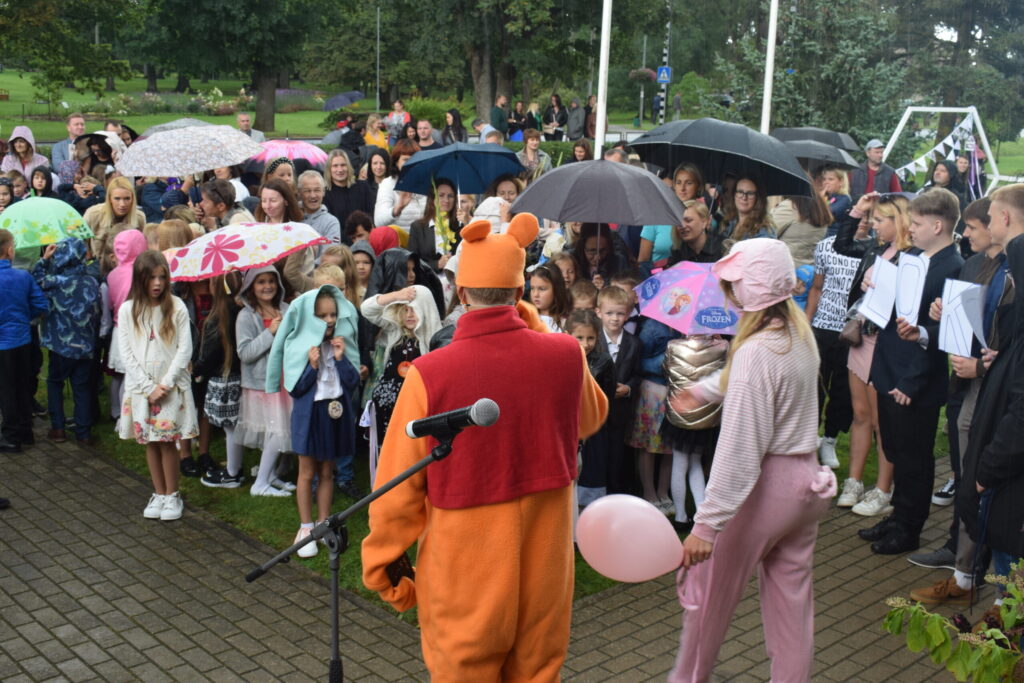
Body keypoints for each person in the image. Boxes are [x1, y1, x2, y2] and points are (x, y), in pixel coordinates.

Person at [361, 213, 607, 680]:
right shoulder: (565, 354)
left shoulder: (430, 373)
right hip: (545, 565)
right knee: (538, 672)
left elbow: (398, 485)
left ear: (461, 293)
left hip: (463, 566)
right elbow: (592, 419)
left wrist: (381, 564)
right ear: (520, 292)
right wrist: (535, 329)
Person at [670, 238, 835, 683]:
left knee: (708, 600)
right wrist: (702, 391)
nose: (728, 294)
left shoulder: (756, 351)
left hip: (767, 490)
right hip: (806, 483)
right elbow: (748, 381)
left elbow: (740, 447)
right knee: (792, 608)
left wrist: (706, 526)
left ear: (747, 289)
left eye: (732, 286)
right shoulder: (797, 335)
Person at [907, 197, 1010, 602]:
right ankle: (966, 572)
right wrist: (941, 314)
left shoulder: (1013, 272)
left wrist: (980, 368)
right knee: (968, 480)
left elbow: (1010, 342)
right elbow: (966, 324)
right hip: (965, 388)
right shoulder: (974, 264)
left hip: (998, 393)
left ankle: (1003, 591)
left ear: (999, 223)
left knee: (994, 483)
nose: (964, 235)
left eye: (973, 227)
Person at [858, 188, 964, 555]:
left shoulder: (953, 267)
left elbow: (941, 334)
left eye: (917, 223)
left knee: (915, 457)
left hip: (915, 379)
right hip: (889, 366)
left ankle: (909, 528)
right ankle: (898, 515)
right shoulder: (914, 257)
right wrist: (871, 285)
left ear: (937, 225)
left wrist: (912, 381)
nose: (911, 228)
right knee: (894, 449)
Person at [955, 184, 1024, 627]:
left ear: (1004, 218)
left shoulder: (1016, 262)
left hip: (1008, 470)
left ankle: (1007, 633)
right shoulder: (1002, 264)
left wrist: (986, 471)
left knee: (1012, 574)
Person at [833, 193, 910, 515]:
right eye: (873, 219)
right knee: (861, 414)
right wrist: (857, 211)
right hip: (860, 338)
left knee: (882, 421)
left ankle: (883, 488)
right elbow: (842, 244)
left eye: (880, 220)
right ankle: (854, 481)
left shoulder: (911, 257)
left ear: (898, 221)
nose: (874, 225)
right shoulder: (876, 249)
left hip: (885, 343)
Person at [267, 284, 360, 550]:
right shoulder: (302, 348)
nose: (329, 320)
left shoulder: (340, 344)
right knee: (307, 472)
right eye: (322, 316)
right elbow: (296, 389)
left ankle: (323, 523)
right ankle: (306, 526)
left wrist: (340, 359)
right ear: (310, 317)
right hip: (310, 417)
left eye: (333, 315)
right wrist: (312, 366)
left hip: (334, 415)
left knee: (327, 471)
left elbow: (352, 382)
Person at [116, 250, 198, 521]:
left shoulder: (176, 306)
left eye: (162, 277)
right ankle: (159, 492)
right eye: (151, 278)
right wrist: (147, 386)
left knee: (167, 440)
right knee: (150, 441)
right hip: (142, 388)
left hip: (170, 387)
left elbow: (185, 349)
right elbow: (126, 352)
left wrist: (165, 384)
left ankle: (172, 494)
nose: (157, 283)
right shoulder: (128, 310)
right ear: (140, 278)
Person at [805, 209, 868, 484]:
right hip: (822, 326)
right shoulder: (825, 247)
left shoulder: (874, 251)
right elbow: (817, 287)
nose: (865, 222)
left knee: (843, 390)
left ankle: (829, 439)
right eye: (862, 217)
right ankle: (809, 438)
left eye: (870, 218)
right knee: (814, 386)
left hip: (852, 331)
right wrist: (807, 323)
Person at [360, 284, 441, 474]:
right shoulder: (395, 331)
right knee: (388, 458)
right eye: (404, 309)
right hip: (386, 411)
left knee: (411, 457)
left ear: (426, 309)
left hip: (413, 409)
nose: (409, 315)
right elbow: (366, 308)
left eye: (414, 309)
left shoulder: (434, 340)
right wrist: (396, 296)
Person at [32, 238, 100, 445]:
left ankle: (58, 428)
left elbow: (35, 280)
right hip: (85, 345)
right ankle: (84, 432)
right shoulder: (92, 282)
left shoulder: (55, 281)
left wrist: (44, 260)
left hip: (60, 345)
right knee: (81, 387)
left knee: (55, 383)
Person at [235, 266, 294, 497]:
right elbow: (245, 353)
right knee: (277, 431)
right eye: (261, 282)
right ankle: (259, 484)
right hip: (261, 383)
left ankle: (270, 476)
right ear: (251, 287)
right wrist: (270, 332)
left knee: (281, 429)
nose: (267, 286)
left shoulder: (286, 309)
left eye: (271, 280)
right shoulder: (246, 316)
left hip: (284, 380)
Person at [197, 274, 247, 488]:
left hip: (222, 379)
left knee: (230, 427)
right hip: (239, 377)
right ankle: (236, 466)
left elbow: (209, 356)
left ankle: (232, 473)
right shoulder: (242, 312)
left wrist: (196, 369)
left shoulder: (216, 318)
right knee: (235, 425)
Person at [0, 229, 48, 452]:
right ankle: (26, 430)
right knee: (22, 385)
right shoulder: (23, 277)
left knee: (6, 390)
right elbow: (41, 305)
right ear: (10, 251)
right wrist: (23, 317)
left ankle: (11, 436)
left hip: (3, 344)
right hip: (22, 339)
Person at [595, 285, 641, 495]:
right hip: (598, 409)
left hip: (621, 411)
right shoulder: (593, 341)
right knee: (597, 454)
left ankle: (616, 493)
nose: (614, 318)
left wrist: (629, 388)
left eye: (620, 314)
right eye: (609, 313)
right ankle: (595, 494)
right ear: (598, 312)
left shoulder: (634, 343)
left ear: (628, 314)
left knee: (618, 455)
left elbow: (638, 374)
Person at [569, 308, 616, 506]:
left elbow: (608, 394)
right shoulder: (561, 357)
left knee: (591, 467)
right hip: (568, 424)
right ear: (568, 335)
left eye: (590, 338)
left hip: (592, 425)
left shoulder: (604, 361)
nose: (585, 344)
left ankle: (590, 508)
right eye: (579, 337)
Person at [85, 176, 146, 272]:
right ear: (109, 199)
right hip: (97, 266)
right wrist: (88, 258)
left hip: (128, 269)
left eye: (127, 198)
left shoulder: (139, 217)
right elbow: (81, 240)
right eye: (117, 199)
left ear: (133, 199)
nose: (122, 204)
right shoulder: (93, 214)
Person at [408, 178, 459, 273]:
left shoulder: (459, 226)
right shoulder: (417, 227)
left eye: (450, 196)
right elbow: (412, 262)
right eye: (441, 195)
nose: (446, 200)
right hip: (428, 278)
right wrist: (437, 264)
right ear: (432, 199)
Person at [373, 139, 426, 230]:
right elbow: (378, 222)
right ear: (396, 162)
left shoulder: (425, 183)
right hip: (398, 237)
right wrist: (397, 209)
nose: (411, 163)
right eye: (405, 160)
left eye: (414, 159)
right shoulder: (388, 184)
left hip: (422, 237)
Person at [770, 194, 831, 266]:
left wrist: (772, 211)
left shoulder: (789, 207)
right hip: (810, 266)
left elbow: (768, 233)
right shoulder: (820, 206)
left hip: (786, 264)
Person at [322, 149, 375, 231]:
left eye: (343, 165)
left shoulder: (363, 187)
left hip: (364, 235)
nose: (340, 169)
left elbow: (371, 215)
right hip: (338, 237)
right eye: (335, 166)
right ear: (329, 169)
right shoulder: (325, 194)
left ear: (348, 166)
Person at [297, 170, 341, 261]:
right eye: (307, 191)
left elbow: (331, 257)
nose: (313, 195)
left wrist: (307, 266)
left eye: (317, 190)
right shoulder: (292, 217)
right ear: (300, 193)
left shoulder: (331, 222)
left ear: (323, 192)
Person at [668, 201, 724, 265]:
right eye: (679, 221)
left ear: (704, 222)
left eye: (688, 220)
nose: (682, 226)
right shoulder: (677, 251)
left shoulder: (723, 248)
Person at [719, 176, 775, 241]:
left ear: (758, 198)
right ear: (734, 195)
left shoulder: (764, 231)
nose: (744, 197)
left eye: (750, 193)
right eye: (740, 192)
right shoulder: (729, 222)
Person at [529, 263, 571, 333]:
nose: (535, 294)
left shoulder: (567, 323)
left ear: (556, 290)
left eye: (542, 289)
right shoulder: (526, 319)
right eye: (532, 288)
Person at [820, 167, 853, 238]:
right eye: (824, 179)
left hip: (834, 237)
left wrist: (820, 201)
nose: (826, 182)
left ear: (841, 182)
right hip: (823, 235)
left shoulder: (845, 199)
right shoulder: (827, 197)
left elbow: (828, 214)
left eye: (830, 179)